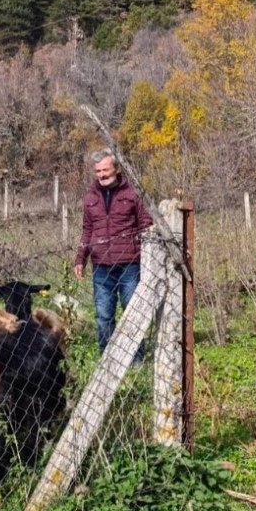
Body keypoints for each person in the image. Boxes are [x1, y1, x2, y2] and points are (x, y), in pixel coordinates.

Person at [74, 148, 153, 357]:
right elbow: (87, 230)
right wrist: (80, 259)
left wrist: (145, 252)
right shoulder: (90, 198)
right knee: (103, 315)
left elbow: (146, 223)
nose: (102, 174)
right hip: (101, 266)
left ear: (116, 169)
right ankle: (108, 359)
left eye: (106, 170)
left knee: (133, 312)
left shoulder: (132, 193)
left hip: (129, 264)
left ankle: (136, 359)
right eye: (98, 171)